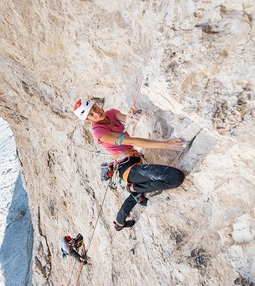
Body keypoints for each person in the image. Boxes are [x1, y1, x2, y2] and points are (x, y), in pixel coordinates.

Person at [73, 98, 186, 231]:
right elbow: (133, 141)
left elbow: (125, 118)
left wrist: (131, 116)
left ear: (97, 105)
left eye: (94, 108)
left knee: (137, 190)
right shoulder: (99, 132)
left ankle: (120, 221)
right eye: (91, 114)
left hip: (134, 160)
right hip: (126, 168)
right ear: (88, 120)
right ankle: (134, 189)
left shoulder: (110, 113)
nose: (96, 113)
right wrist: (166, 144)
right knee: (175, 177)